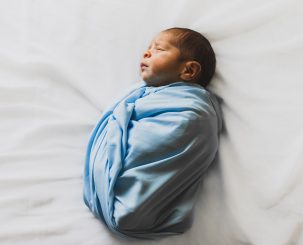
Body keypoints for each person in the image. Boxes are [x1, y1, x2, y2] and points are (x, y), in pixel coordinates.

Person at [83, 27, 223, 239]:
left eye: (158, 49)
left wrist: (121, 119)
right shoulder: (145, 94)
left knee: (132, 212)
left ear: (188, 71)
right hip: (132, 213)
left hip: (141, 209)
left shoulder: (193, 111)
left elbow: (166, 137)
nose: (146, 53)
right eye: (148, 48)